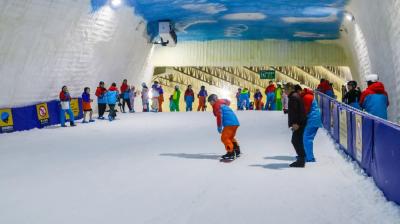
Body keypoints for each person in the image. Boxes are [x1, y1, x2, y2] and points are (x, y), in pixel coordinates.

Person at [208, 94, 241, 160]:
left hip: (229, 123)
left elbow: (219, 116)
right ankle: (236, 150)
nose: (210, 103)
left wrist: (219, 126)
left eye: (211, 101)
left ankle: (231, 152)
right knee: (230, 137)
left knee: (224, 138)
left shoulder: (217, 105)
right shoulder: (223, 104)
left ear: (214, 100)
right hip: (235, 123)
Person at [288, 84, 307, 167]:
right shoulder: (294, 96)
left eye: (285, 89)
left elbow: (296, 112)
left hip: (299, 123)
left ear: (290, 89)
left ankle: (301, 160)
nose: (284, 91)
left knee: (296, 140)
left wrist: (296, 123)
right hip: (300, 122)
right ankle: (301, 159)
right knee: (297, 140)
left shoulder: (293, 97)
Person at [301, 88, 322, 162]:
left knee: (307, 138)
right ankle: (307, 155)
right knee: (306, 137)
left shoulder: (307, 97)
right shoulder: (308, 96)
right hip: (314, 118)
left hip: (313, 119)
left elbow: (306, 110)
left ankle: (309, 158)